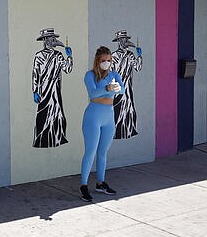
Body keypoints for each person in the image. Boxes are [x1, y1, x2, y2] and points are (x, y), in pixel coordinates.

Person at [80, 46, 125, 202]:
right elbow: (93, 93)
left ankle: (100, 182)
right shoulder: (90, 75)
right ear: (97, 61)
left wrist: (118, 88)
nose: (106, 63)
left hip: (109, 115)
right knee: (90, 151)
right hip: (93, 115)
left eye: (109, 60)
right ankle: (83, 185)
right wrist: (106, 87)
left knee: (103, 152)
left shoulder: (114, 75)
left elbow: (123, 89)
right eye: (103, 60)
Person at [32, 28, 73, 148]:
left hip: (55, 89)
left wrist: (69, 57)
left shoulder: (58, 55)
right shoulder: (39, 56)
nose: (52, 40)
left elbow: (67, 69)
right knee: (43, 114)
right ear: (45, 40)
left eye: (53, 38)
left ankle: (57, 138)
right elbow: (35, 74)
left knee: (57, 114)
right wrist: (35, 90)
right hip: (44, 90)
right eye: (49, 38)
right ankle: (42, 140)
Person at [111, 30, 142, 139]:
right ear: (119, 41)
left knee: (129, 109)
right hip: (118, 87)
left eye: (126, 39)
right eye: (122, 39)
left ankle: (128, 131)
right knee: (117, 109)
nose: (125, 41)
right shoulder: (114, 56)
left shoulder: (130, 55)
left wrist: (139, 56)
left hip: (128, 87)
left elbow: (137, 67)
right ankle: (117, 133)